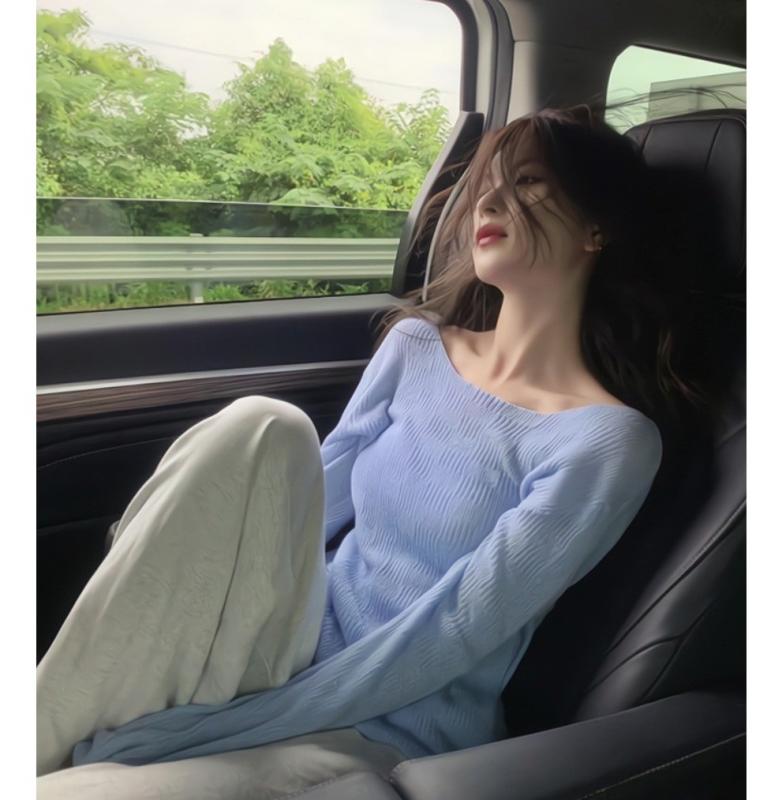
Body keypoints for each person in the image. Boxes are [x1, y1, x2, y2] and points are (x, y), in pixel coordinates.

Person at [37, 96, 739, 799]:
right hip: (288, 644)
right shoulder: (414, 345)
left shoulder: (604, 441)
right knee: (262, 425)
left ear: (596, 228)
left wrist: (214, 727)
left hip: (386, 721)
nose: (490, 198)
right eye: (488, 184)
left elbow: (455, 630)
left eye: (528, 182)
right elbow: (305, 512)